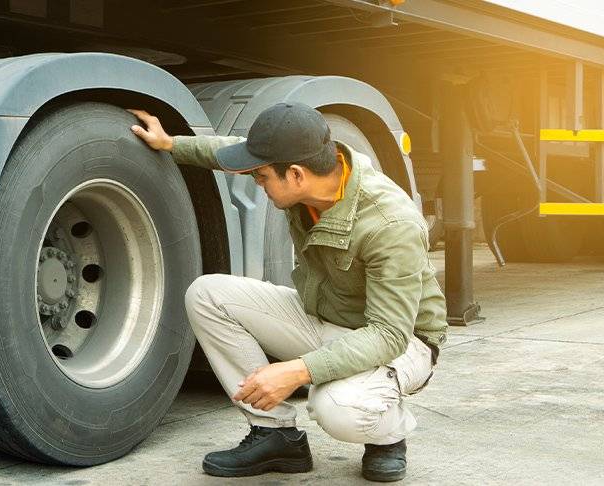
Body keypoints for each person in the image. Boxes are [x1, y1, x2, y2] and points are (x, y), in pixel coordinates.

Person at [128, 102, 448, 482]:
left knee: (337, 409)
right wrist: (171, 144)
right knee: (207, 294)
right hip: (327, 316)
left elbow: (388, 334)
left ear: (296, 174)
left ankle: (387, 435)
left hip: (402, 342)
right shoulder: (316, 174)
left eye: (262, 178)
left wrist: (296, 372)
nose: (257, 183)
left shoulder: (389, 224)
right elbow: (236, 151)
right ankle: (275, 436)